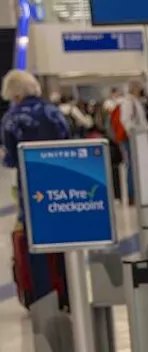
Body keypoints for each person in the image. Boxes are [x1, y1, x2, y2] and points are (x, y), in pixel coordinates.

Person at [1, 70, 71, 310]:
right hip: (61, 183)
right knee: (63, 240)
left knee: (36, 242)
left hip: (31, 186)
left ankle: (43, 298)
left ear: (15, 93)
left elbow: (11, 158)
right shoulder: (54, 112)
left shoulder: (13, 118)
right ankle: (67, 292)